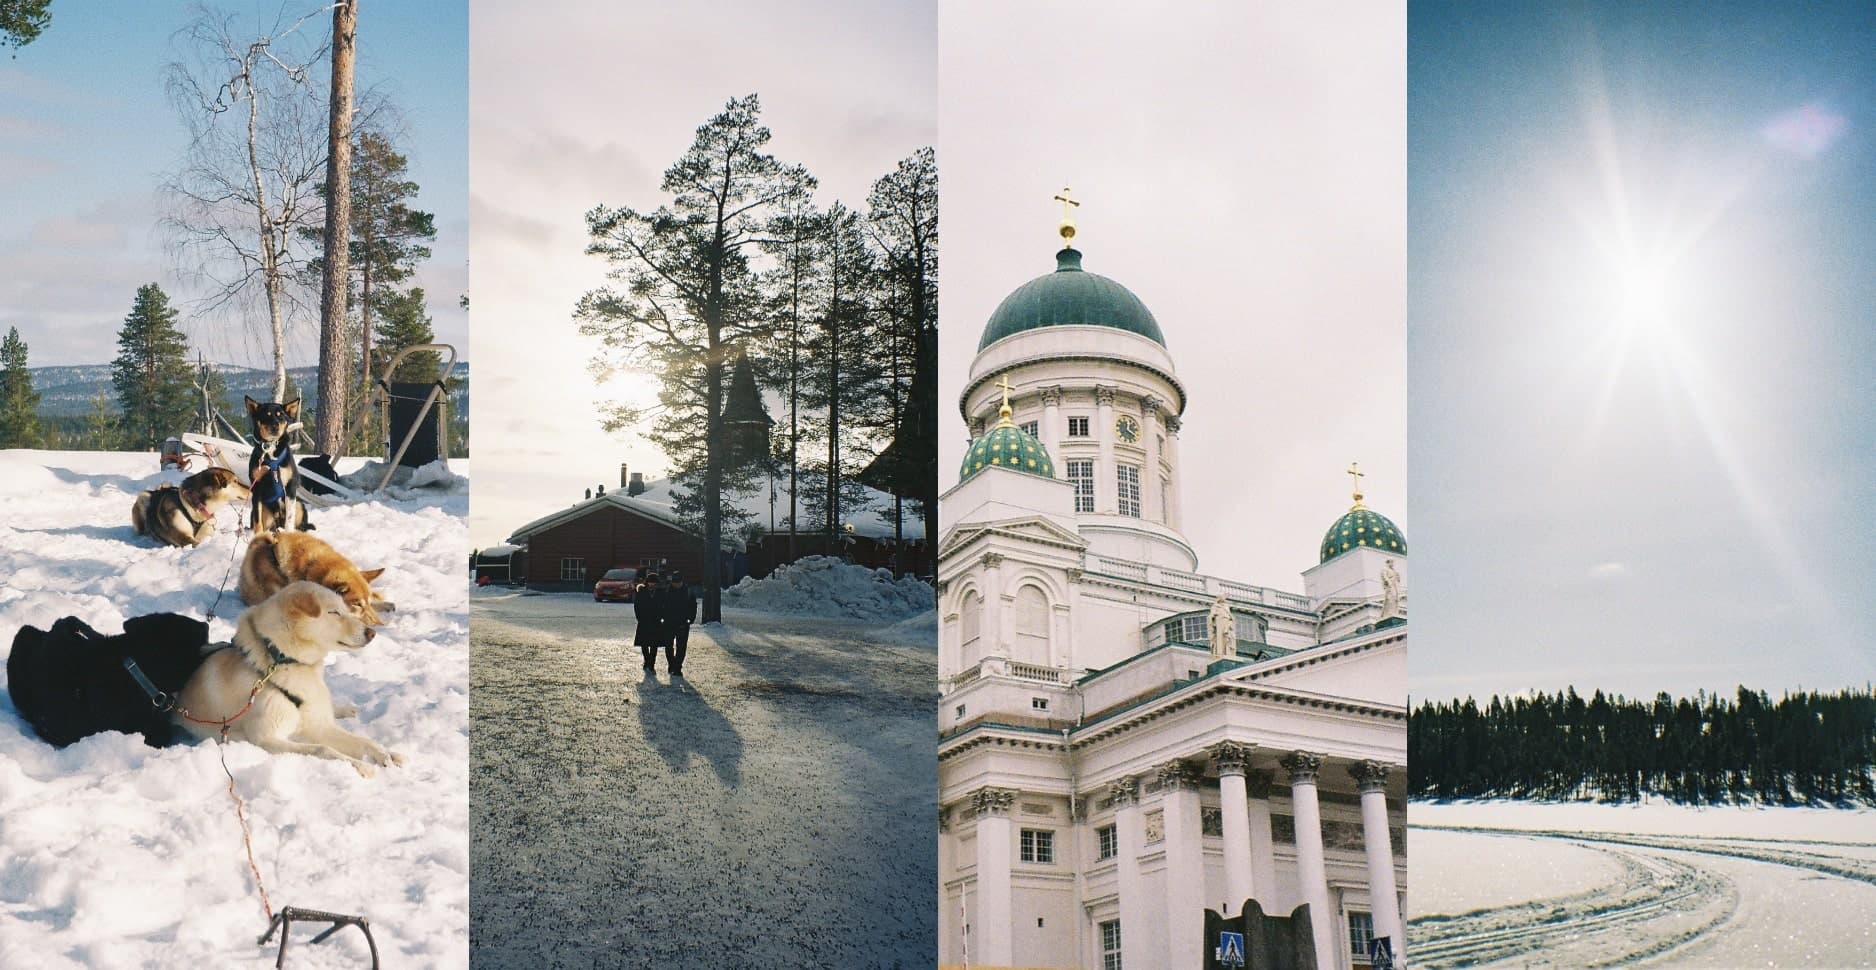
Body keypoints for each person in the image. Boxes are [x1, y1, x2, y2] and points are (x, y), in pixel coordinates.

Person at [663, 571, 697, 677]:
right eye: (675, 582)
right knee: (668, 645)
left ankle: (677, 667)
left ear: (682, 581)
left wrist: (690, 619)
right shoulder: (667, 591)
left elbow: (693, 606)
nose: (676, 584)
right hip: (669, 623)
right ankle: (671, 664)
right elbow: (662, 605)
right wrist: (663, 617)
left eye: (678, 582)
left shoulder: (688, 592)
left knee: (681, 647)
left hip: (682, 623)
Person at [633, 571, 668, 672]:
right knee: (644, 643)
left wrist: (661, 616)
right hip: (644, 620)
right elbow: (637, 606)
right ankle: (647, 660)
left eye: (654, 582)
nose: (652, 584)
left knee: (654, 644)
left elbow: (664, 605)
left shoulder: (661, 593)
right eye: (650, 582)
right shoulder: (641, 592)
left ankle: (651, 663)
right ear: (647, 582)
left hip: (655, 621)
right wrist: (639, 617)